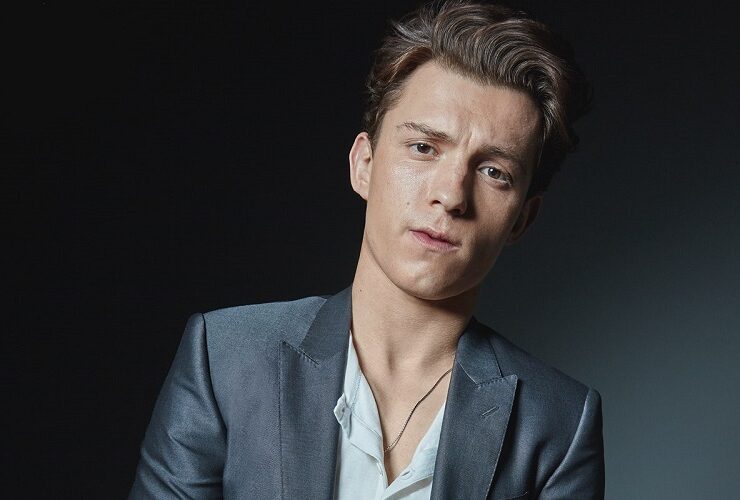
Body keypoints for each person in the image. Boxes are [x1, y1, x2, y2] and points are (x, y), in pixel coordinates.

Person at [129, 1, 604, 499]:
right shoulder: (226, 358)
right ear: (364, 164)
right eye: (424, 147)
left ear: (522, 218)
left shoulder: (558, 426)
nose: (451, 195)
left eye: (494, 172)